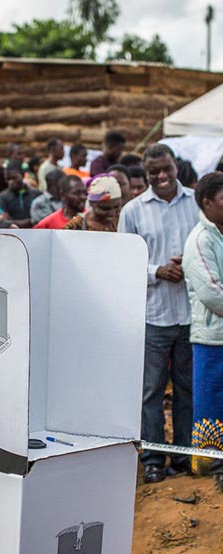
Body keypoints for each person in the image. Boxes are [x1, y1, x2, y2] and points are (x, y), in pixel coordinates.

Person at [118, 144, 199, 483]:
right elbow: (123, 263)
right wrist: (157, 271)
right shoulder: (133, 210)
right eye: (155, 172)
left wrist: (189, 263)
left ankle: (182, 456)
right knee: (151, 391)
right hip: (154, 315)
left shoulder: (197, 202)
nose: (162, 177)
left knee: (187, 389)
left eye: (167, 169)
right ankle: (152, 458)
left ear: (175, 166)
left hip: (192, 314)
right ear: (146, 173)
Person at [181, 171, 223, 491]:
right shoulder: (200, 240)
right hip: (212, 338)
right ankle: (212, 469)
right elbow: (211, 293)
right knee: (211, 400)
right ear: (207, 203)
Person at [0, 161, 41, 227]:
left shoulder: (36, 194)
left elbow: (41, 218)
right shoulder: (2, 197)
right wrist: (28, 222)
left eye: (14, 178)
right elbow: (5, 221)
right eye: (8, 179)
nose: (11, 182)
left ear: (22, 175)